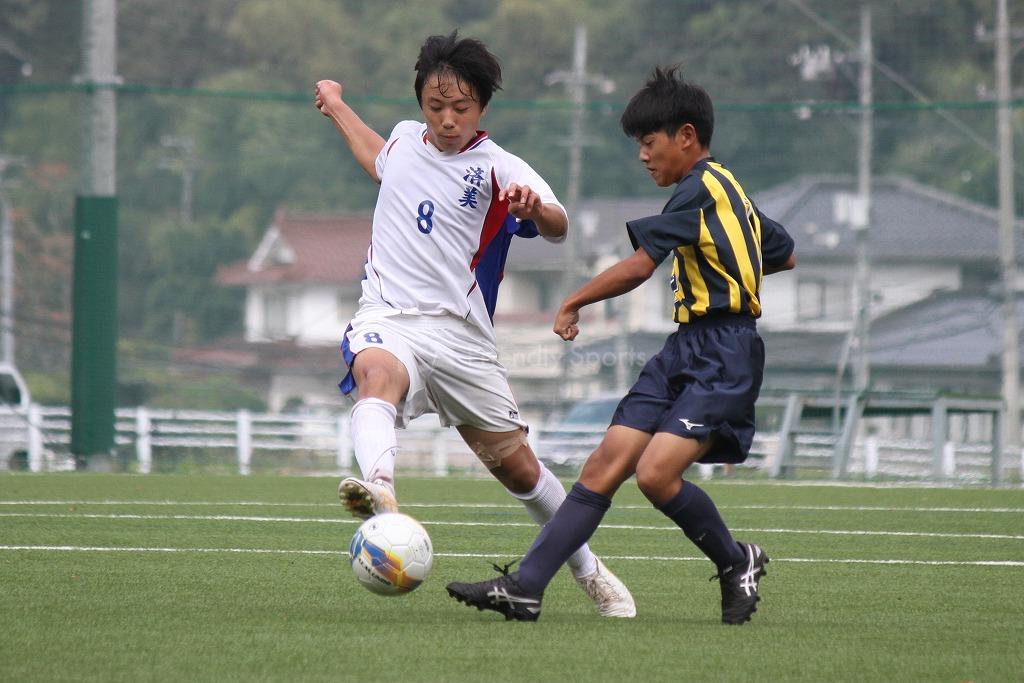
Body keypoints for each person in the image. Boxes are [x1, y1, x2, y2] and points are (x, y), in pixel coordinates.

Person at [446, 66, 796, 624]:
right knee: (604, 465)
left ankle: (737, 562)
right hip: (685, 346)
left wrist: (572, 302)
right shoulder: (726, 193)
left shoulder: (702, 190)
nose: (643, 155)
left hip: (725, 351)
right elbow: (785, 253)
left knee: (656, 475)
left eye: (649, 142)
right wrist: (736, 265)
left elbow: (639, 265)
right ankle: (526, 587)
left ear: (686, 136)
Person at [314, 31, 635, 618]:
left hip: (462, 338)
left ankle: (589, 569)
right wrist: (336, 104)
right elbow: (376, 160)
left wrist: (533, 209)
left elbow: (560, 224)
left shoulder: (499, 168)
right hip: (388, 316)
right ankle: (381, 488)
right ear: (420, 107)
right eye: (435, 107)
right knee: (375, 373)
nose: (446, 119)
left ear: (482, 107)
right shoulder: (406, 141)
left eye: (460, 108)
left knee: (519, 469)